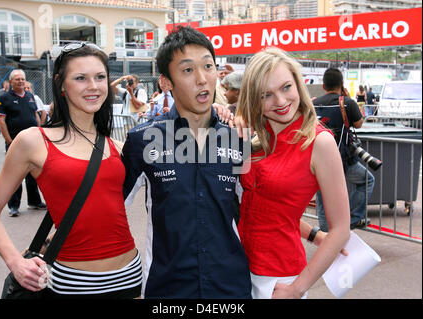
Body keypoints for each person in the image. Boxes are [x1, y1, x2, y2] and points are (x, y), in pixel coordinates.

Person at [0, 43, 142, 299]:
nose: (93, 86)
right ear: (61, 84)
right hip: (72, 283)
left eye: (100, 77)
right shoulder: (33, 141)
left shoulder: (119, 146)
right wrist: (16, 263)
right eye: (80, 78)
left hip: (130, 276)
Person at [122, 26, 252, 299]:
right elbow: (107, 210)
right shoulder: (142, 141)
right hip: (167, 289)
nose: (203, 79)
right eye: (188, 70)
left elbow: (260, 211)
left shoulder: (239, 140)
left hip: (231, 289)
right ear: (166, 81)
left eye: (208, 66)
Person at [235, 47, 350, 299]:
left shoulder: (320, 143)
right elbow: (266, 208)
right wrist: (313, 234)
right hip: (236, 269)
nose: (280, 101)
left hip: (279, 281)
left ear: (298, 84)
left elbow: (341, 229)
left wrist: (297, 289)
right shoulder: (254, 138)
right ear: (254, 98)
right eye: (266, 94)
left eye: (286, 87)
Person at [313, 67, 375, 230]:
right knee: (367, 180)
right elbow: (358, 124)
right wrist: (346, 98)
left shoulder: (313, 104)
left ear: (324, 86)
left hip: (317, 159)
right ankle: (352, 219)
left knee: (322, 194)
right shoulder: (347, 102)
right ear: (341, 84)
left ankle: (326, 232)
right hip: (343, 159)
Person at [0, 69, 46, 217]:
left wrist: (39, 132)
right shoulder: (4, 98)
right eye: (17, 79)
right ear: (11, 82)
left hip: (32, 143)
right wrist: (9, 141)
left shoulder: (30, 96)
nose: (21, 82)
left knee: (33, 173)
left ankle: (34, 201)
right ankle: (14, 206)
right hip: (15, 143)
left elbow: (35, 116)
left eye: (23, 79)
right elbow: (1, 120)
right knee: (15, 175)